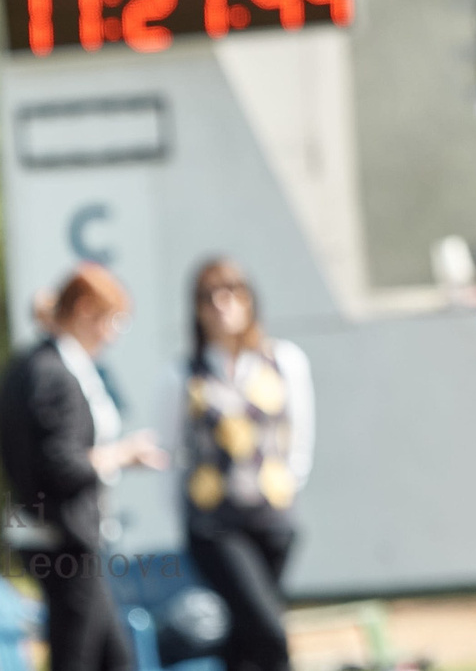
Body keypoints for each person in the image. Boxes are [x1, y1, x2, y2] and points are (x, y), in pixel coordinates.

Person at [0, 262, 168, 671]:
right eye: (114, 320)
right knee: (78, 658)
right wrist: (124, 454)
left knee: (113, 658)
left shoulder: (34, 364)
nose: (116, 333)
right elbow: (62, 465)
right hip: (61, 538)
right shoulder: (54, 373)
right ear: (87, 310)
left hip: (54, 536)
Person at [161, 256, 315, 671]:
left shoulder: (283, 361)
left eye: (232, 294)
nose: (222, 306)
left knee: (243, 635)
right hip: (216, 523)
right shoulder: (185, 375)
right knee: (269, 631)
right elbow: (173, 452)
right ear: (197, 309)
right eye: (210, 297)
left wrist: (284, 485)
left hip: (272, 518)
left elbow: (299, 437)